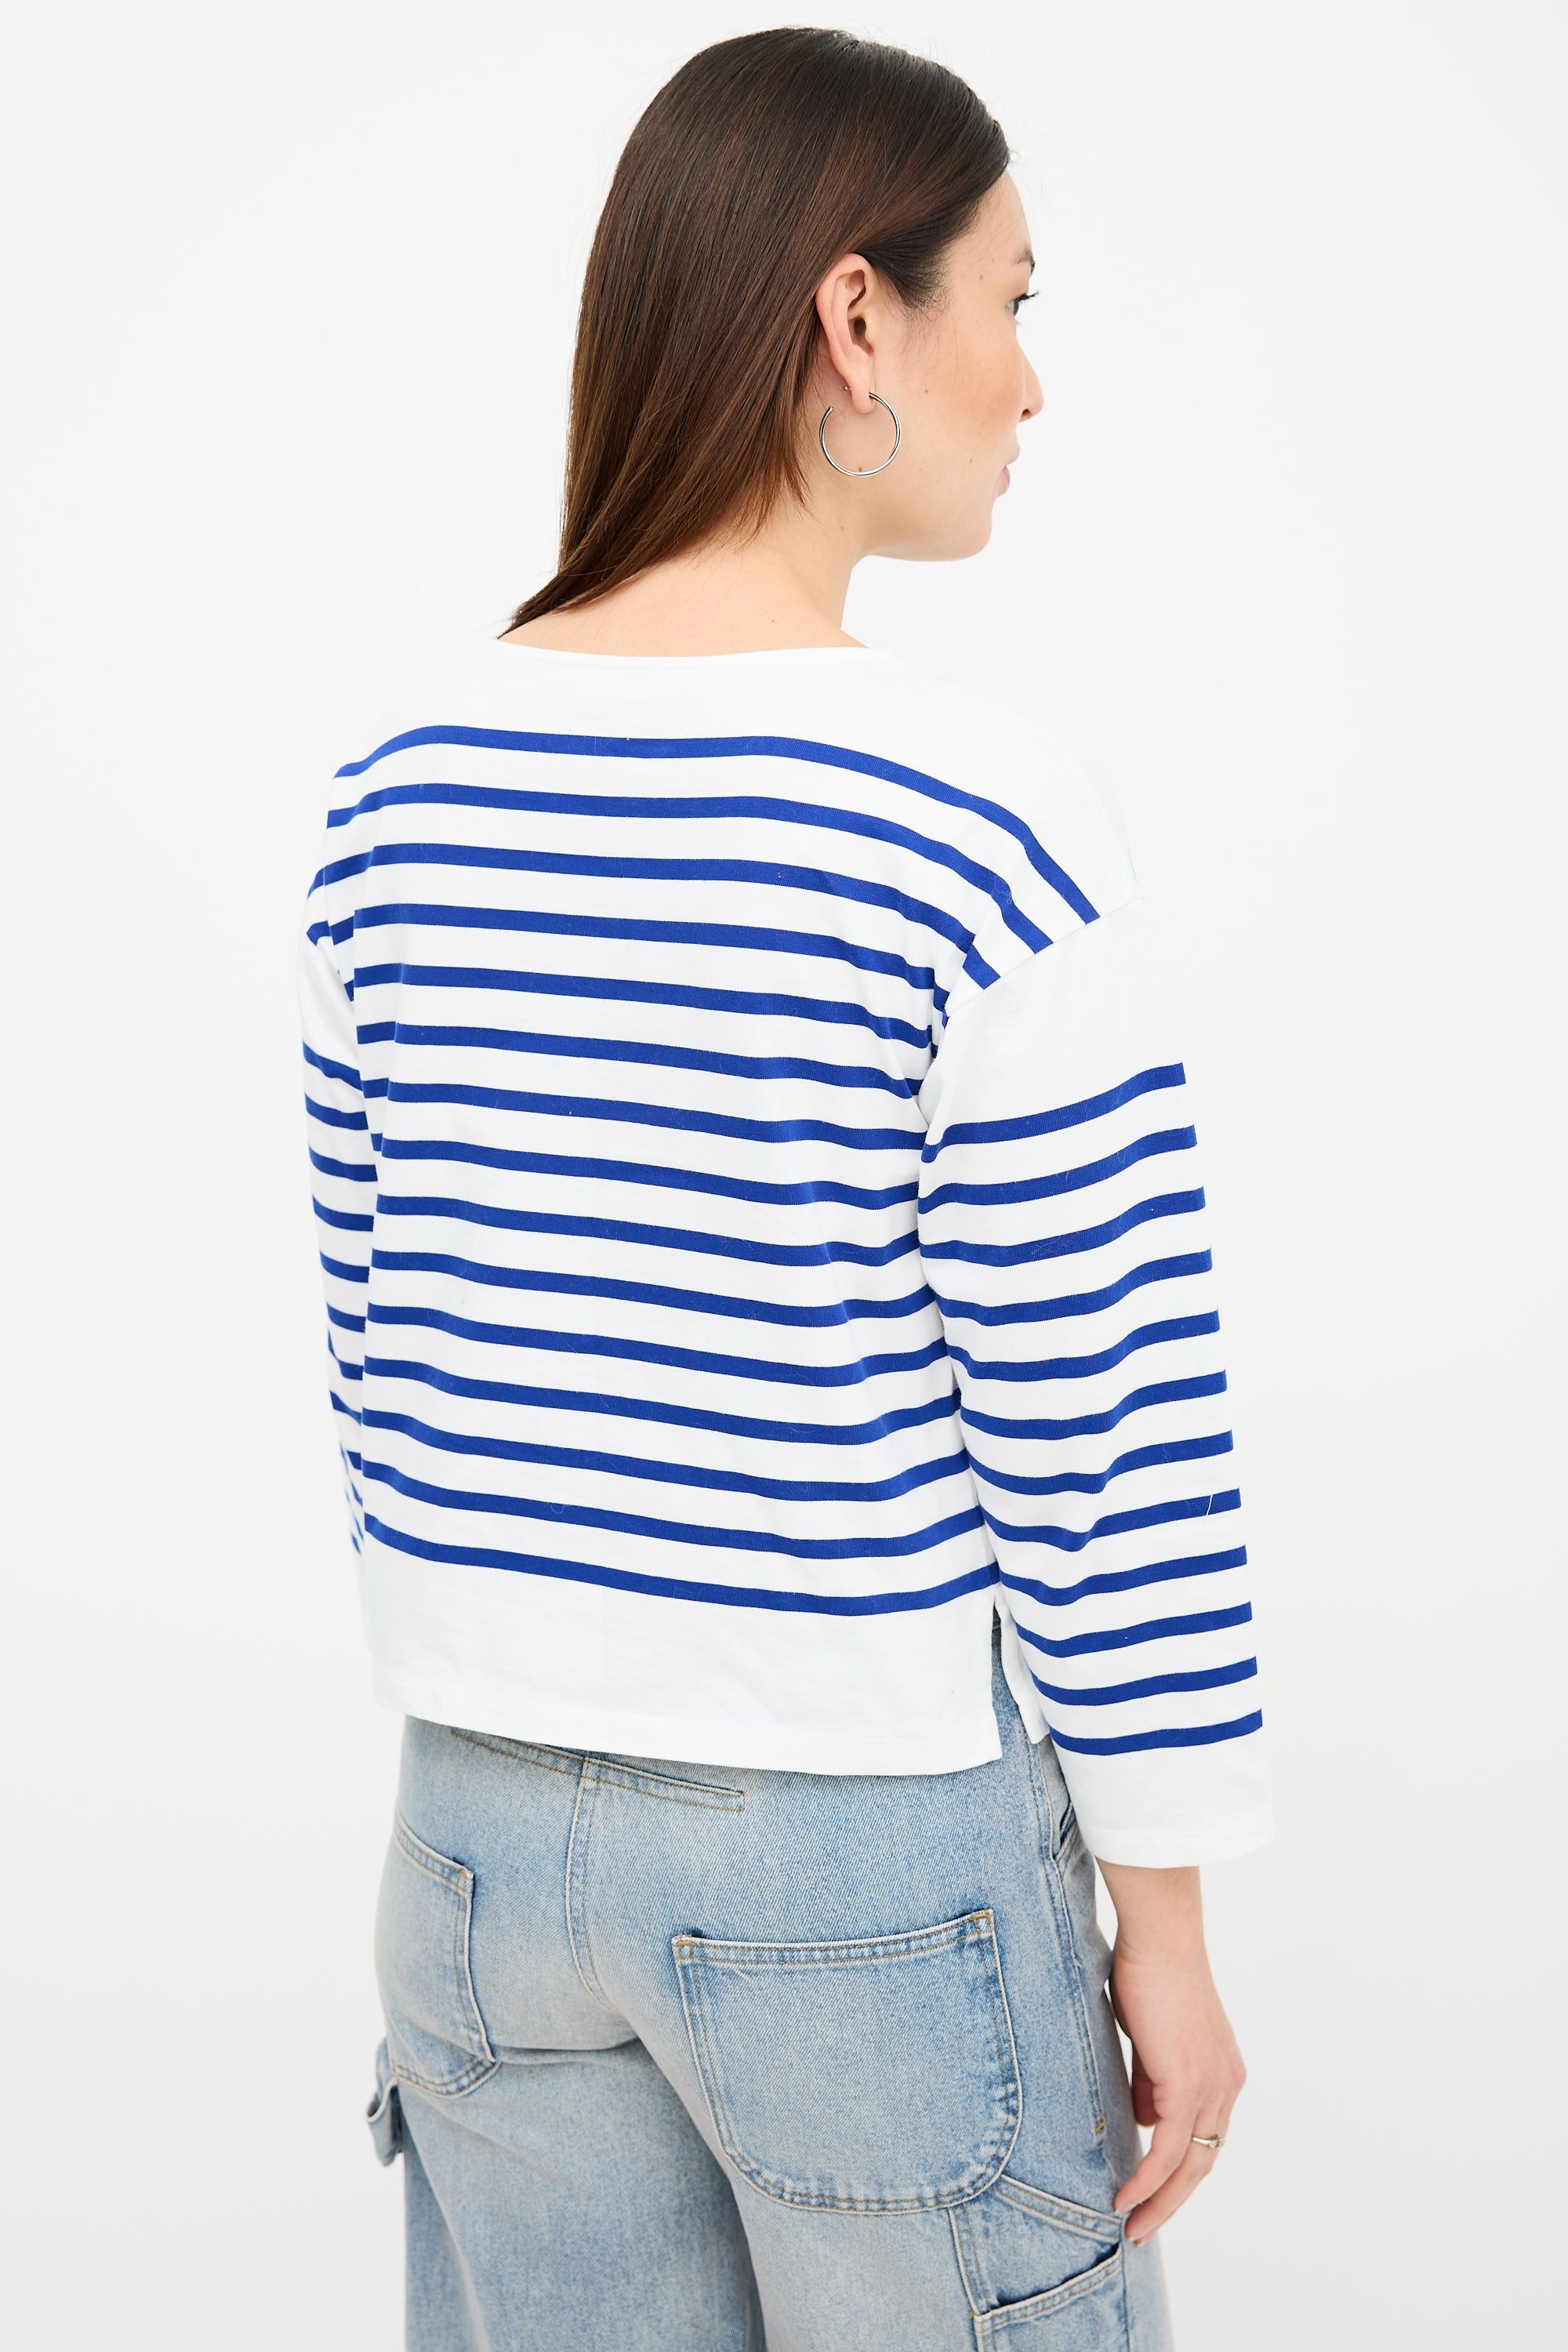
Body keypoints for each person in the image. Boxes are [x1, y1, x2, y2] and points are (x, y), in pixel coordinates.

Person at [298, 28, 1270, 2348]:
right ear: (860, 319)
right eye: (1008, 300)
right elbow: (1101, 1412)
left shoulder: (396, 789)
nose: (1030, 380)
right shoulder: (971, 812)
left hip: (474, 1845)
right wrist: (1166, 1922)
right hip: (861, 1850)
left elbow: (379, 1331)